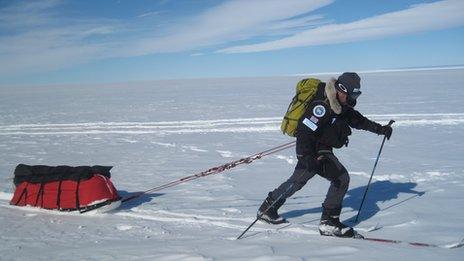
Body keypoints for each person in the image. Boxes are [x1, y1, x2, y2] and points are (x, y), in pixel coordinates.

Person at [257, 72, 393, 238]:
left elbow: (358, 120)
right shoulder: (321, 106)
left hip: (321, 149)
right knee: (340, 178)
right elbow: (304, 132)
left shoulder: (342, 105)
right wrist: (307, 158)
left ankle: (267, 208)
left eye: (357, 94)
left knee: (297, 181)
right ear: (341, 89)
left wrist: (380, 129)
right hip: (315, 151)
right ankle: (329, 222)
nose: (354, 98)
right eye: (353, 94)